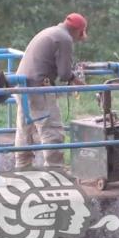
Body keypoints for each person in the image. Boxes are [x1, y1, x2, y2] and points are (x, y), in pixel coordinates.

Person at [14, 13, 87, 169]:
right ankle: (55, 171)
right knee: (52, 129)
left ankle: (22, 168)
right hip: (39, 87)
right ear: (78, 31)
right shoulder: (64, 39)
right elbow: (64, 73)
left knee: (25, 129)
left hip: (21, 85)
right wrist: (74, 79)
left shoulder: (51, 31)